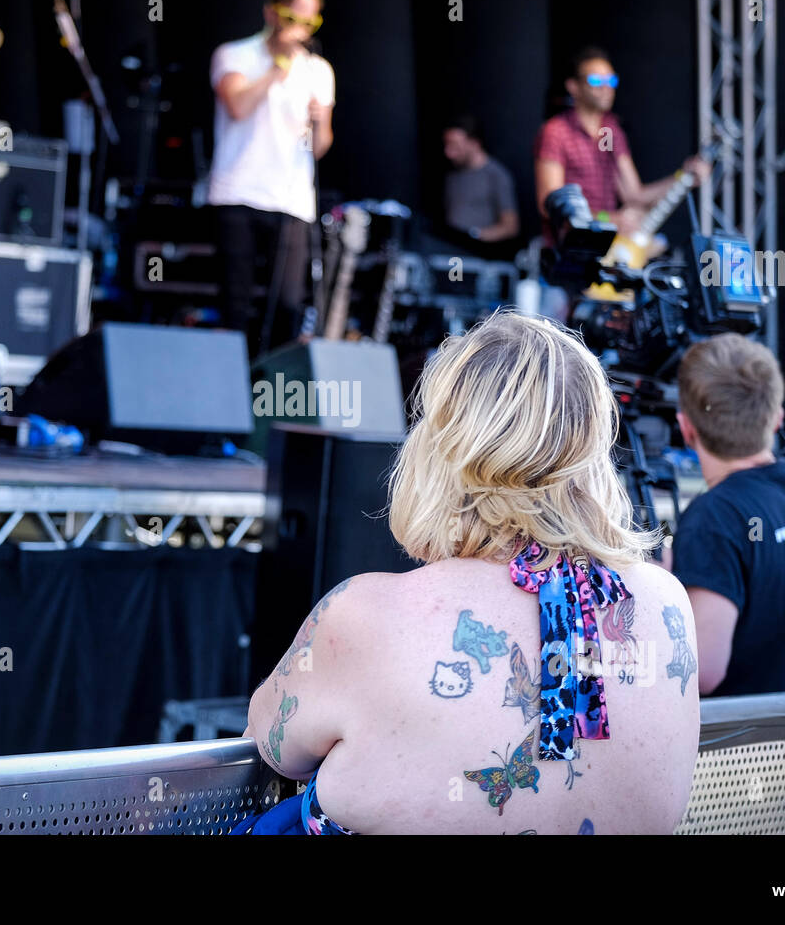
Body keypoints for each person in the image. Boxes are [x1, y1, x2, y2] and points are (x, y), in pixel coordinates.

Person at [237, 310, 700, 834]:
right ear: (593, 450)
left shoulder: (366, 617)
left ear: (442, 447)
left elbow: (274, 745)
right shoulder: (666, 603)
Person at [667, 333, 785, 696]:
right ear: (777, 416)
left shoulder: (713, 520)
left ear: (686, 428)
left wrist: (657, 597)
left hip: (746, 747)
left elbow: (701, 672)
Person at [207, 0, 334, 358]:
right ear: (272, 13)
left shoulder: (318, 71)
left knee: (288, 305)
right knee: (236, 302)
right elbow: (238, 106)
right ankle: (228, 392)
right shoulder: (235, 56)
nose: (302, 28)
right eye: (295, 17)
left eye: (311, 20)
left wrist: (318, 122)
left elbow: (320, 147)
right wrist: (276, 69)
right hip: (238, 191)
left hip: (291, 200)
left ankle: (274, 397)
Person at [534, 46, 709, 247]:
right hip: (569, 249)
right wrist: (609, 218)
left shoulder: (611, 130)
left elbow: (634, 195)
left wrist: (684, 177)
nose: (606, 87)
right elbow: (549, 206)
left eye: (611, 81)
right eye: (596, 81)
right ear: (573, 86)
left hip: (607, 246)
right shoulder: (556, 131)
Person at [439, 115, 519, 256]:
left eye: (455, 146)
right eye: (447, 145)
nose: (449, 153)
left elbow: (510, 227)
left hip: (479, 257)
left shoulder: (496, 175)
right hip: (450, 255)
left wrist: (473, 236)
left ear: (474, 143)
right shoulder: (451, 175)